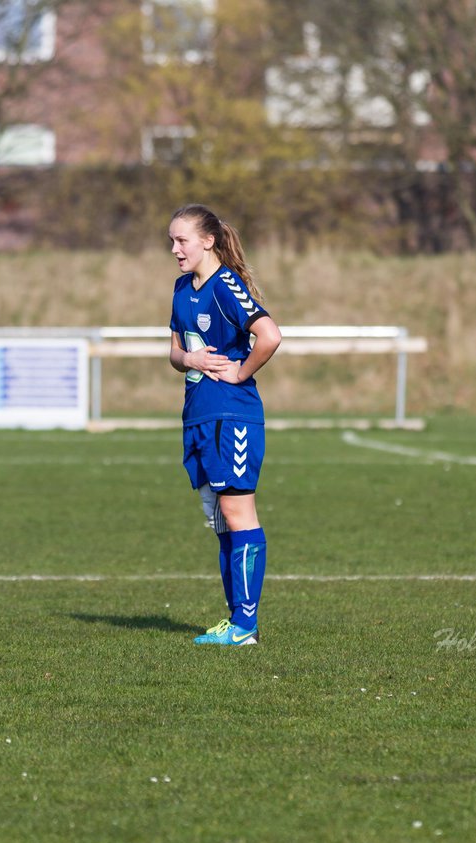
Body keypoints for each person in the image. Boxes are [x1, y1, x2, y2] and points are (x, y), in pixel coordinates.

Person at [167, 204, 282, 646]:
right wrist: (190, 359)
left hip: (231, 415)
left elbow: (269, 335)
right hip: (197, 416)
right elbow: (175, 352)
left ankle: (245, 627)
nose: (175, 249)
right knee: (221, 521)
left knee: (238, 513)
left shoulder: (226, 286)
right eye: (172, 241)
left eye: (182, 240)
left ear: (208, 241)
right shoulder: (181, 288)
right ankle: (236, 622)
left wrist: (240, 371)